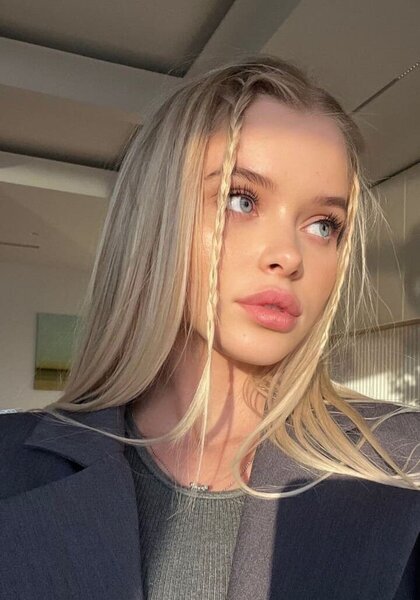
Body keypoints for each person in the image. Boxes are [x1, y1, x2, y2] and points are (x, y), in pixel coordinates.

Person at [0, 54, 419, 600]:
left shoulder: (403, 464)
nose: (289, 255)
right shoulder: (13, 462)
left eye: (323, 225)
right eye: (241, 200)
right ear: (154, 219)